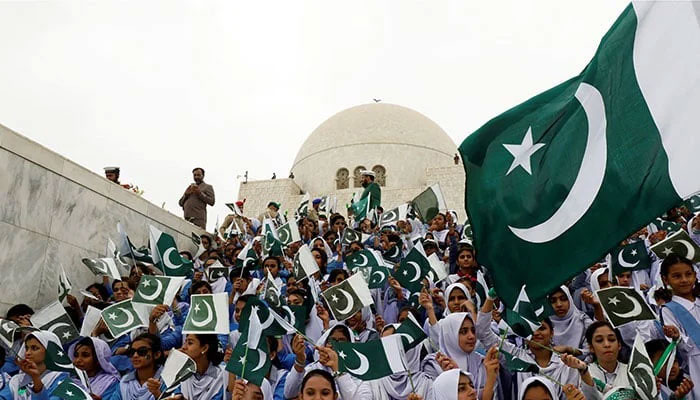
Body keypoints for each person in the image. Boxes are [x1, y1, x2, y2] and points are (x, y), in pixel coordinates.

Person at [658, 254, 700, 399]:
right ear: (665, 279)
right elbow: (681, 348)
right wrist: (677, 337)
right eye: (677, 276)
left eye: (688, 274)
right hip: (695, 368)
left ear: (695, 275)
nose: (684, 280)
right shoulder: (669, 310)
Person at [560, 321, 627, 399]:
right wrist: (584, 373)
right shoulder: (584, 373)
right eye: (599, 340)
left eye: (611, 339)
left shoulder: (632, 371)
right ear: (591, 348)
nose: (607, 344)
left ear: (619, 345)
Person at [158, 334, 225, 400]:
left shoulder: (222, 376)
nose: (184, 347)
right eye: (185, 342)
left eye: (190, 343)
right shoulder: (181, 372)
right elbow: (175, 393)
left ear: (204, 348)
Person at [8, 331, 69, 400]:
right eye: (27, 348)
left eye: (34, 348)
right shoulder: (18, 380)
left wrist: (36, 379)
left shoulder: (61, 379)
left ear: (49, 350)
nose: (27, 353)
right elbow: (20, 393)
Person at [110, 333, 164, 400]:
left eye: (142, 351)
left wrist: (158, 395)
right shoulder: (125, 381)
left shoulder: (167, 380)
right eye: (132, 352)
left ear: (156, 354)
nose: (135, 355)